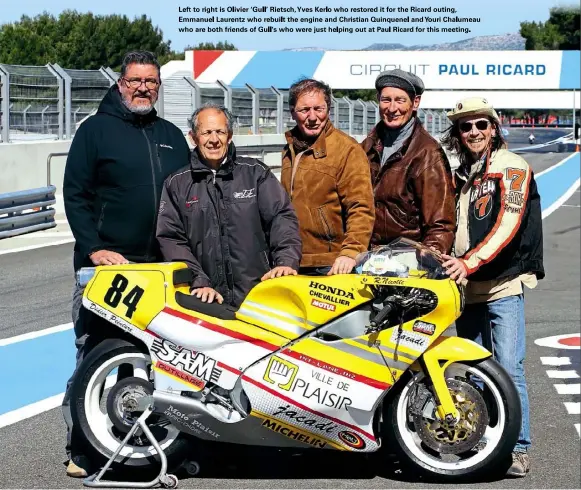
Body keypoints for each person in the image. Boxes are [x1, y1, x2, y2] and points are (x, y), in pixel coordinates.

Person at [62, 51, 190, 477]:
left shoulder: (171, 134)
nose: (143, 88)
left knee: (165, 357)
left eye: (151, 82)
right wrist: (94, 246)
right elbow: (76, 195)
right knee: (96, 354)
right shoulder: (95, 131)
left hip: (160, 268)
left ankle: (156, 442)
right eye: (135, 81)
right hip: (108, 266)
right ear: (120, 84)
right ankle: (81, 448)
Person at [440, 96, 544, 478]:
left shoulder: (512, 167)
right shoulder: (460, 174)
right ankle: (484, 441)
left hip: (502, 284)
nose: (473, 132)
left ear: (494, 129)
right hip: (467, 290)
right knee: (475, 369)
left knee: (509, 368)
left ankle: (518, 448)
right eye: (465, 127)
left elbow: (507, 225)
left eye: (480, 125)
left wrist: (468, 262)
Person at [156, 103, 301, 307]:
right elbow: (171, 238)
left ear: (230, 136)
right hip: (207, 298)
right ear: (193, 137)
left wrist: (285, 262)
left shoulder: (255, 173)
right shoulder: (177, 183)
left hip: (259, 294)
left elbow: (282, 218)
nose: (214, 140)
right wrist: (198, 280)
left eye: (220, 132)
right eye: (206, 132)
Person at [280, 78, 375, 276]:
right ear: (292, 112)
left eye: (319, 109)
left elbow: (361, 208)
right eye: (304, 110)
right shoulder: (289, 149)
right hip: (293, 259)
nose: (313, 117)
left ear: (328, 110)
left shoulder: (347, 150)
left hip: (331, 263)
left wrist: (351, 252)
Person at [360, 69, 456, 254]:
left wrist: (427, 264)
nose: (392, 108)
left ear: (415, 103)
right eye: (386, 100)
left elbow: (441, 225)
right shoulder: (365, 147)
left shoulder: (428, 154)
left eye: (400, 100)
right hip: (365, 257)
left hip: (406, 261)